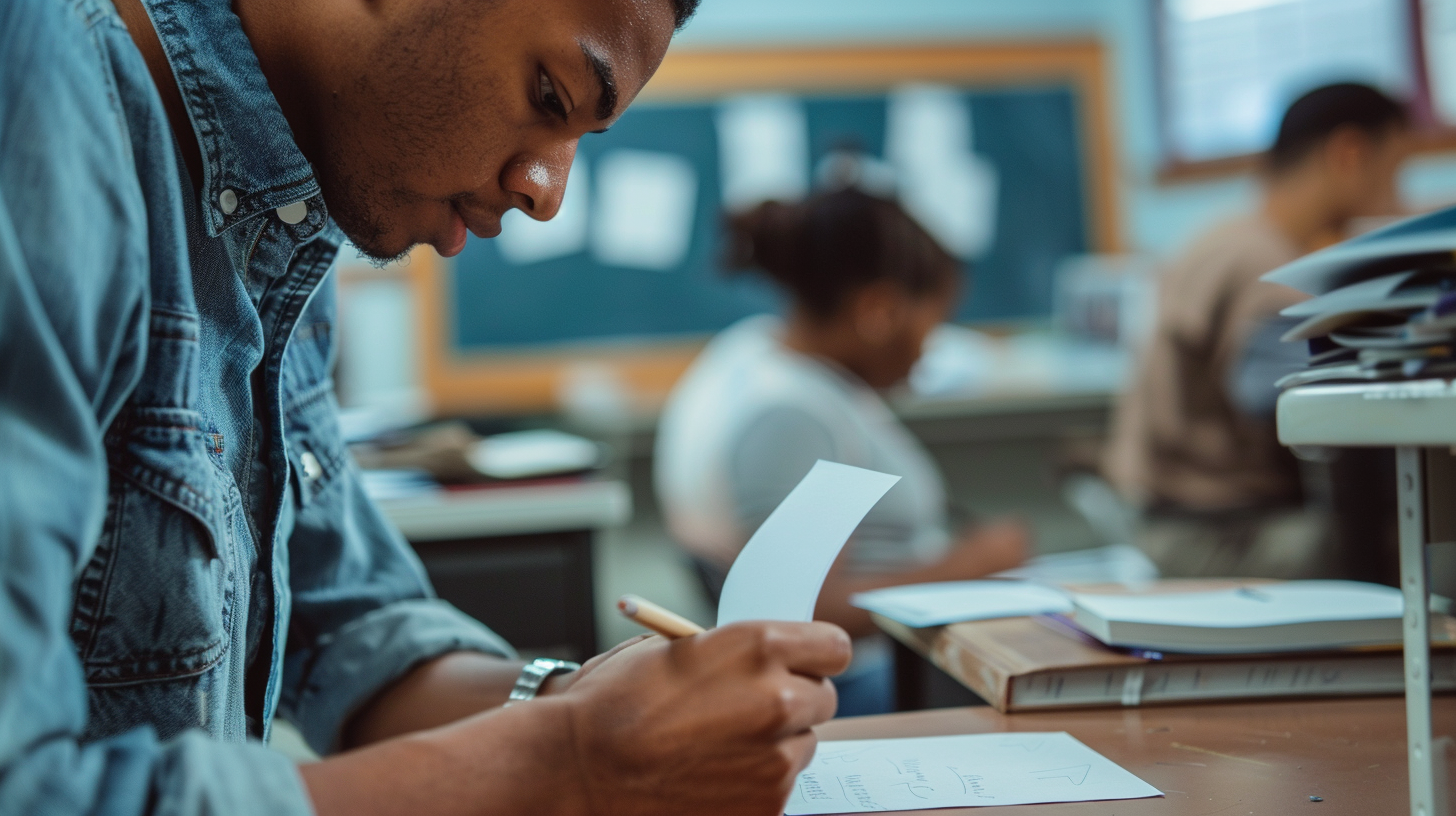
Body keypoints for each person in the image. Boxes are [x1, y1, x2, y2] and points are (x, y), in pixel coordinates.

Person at [0, 0, 854, 814]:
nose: (546, 193)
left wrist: (572, 703)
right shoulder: (39, 95)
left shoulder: (283, 218)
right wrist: (568, 765)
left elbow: (351, 631)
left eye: (581, 136)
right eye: (550, 97)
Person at [655, 188, 1030, 716]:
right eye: (933, 319)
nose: (932, 346)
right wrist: (972, 564)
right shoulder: (788, 416)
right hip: (855, 686)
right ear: (878, 310)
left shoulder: (756, 353)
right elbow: (799, 612)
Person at [1103, 83, 1411, 578]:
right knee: (1413, 548)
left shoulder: (1225, 237)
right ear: (1349, 153)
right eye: (1396, 169)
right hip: (1215, 534)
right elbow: (1312, 410)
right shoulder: (1267, 267)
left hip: (1170, 518)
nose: (1401, 194)